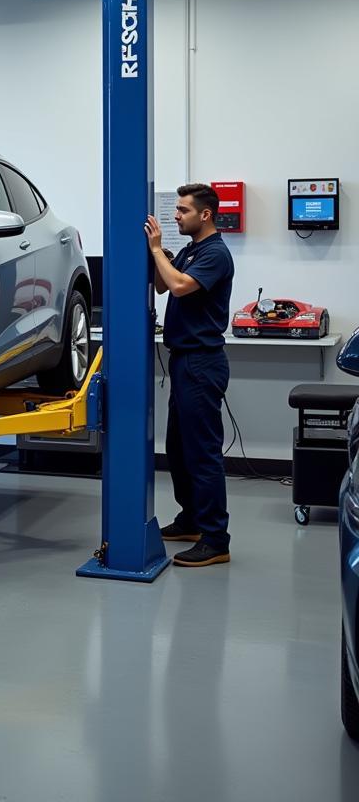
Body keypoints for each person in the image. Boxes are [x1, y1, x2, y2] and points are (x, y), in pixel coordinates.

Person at [145, 183, 235, 568]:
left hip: (202, 362)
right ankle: (192, 520)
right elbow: (165, 284)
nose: (177, 215)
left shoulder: (215, 253)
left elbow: (180, 286)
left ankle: (216, 539)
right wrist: (160, 254)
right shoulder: (191, 249)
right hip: (184, 360)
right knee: (179, 449)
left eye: (182, 210)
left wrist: (154, 251)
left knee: (202, 454)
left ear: (206, 215)